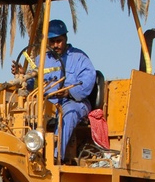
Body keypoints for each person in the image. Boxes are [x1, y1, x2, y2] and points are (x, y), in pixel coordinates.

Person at [11, 19, 95, 161]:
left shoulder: (80, 58)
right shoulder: (41, 59)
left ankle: (55, 157)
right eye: (52, 42)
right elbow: (32, 84)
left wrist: (69, 92)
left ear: (65, 38)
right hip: (47, 104)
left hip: (73, 102)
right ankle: (21, 155)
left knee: (67, 113)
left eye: (59, 41)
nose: (55, 45)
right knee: (20, 111)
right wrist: (23, 74)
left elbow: (88, 82)